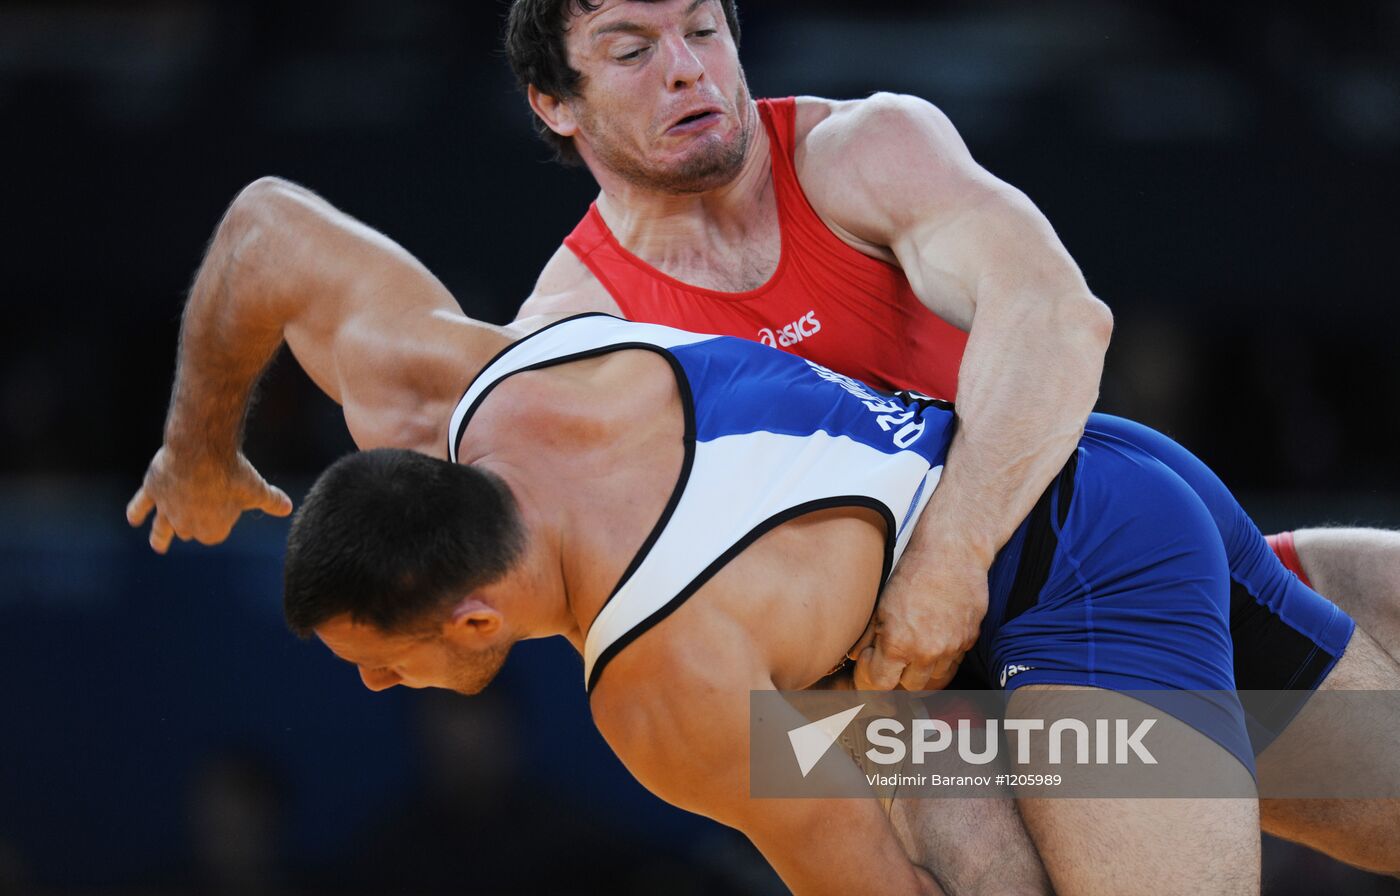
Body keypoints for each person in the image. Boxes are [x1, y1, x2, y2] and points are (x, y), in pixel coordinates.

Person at [128, 180, 1400, 894]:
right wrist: (195, 446)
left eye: (377, 654)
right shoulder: (465, 380)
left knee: (914, 781)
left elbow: (882, 885)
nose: (368, 681)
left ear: (467, 615)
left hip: (1075, 579)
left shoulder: (658, 691)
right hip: (1088, 471)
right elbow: (261, 231)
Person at [504, 0, 1400, 695]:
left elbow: (1060, 318)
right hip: (896, 669)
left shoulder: (861, 151)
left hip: (1061, 556)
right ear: (554, 104)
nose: (688, 69)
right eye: (632, 51)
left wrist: (950, 560)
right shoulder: (573, 333)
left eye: (704, 29)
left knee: (1356, 784)